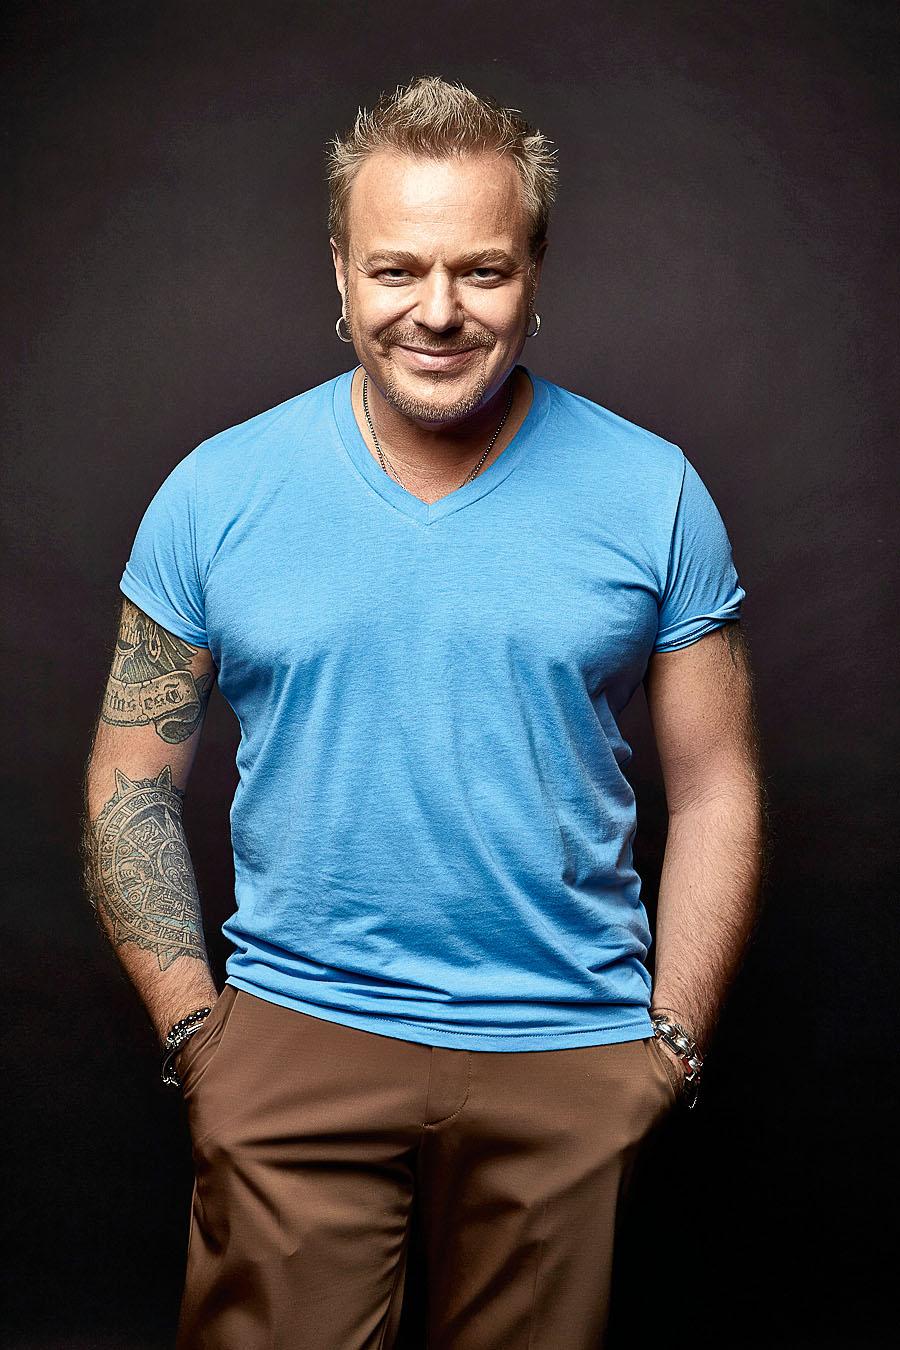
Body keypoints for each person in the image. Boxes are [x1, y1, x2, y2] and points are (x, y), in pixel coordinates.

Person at [81, 74, 766, 1350]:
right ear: (341, 275)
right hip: (294, 1045)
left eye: (481, 271)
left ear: (534, 275)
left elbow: (718, 786)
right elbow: (130, 783)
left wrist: (668, 1045)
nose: (438, 311)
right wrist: (196, 1035)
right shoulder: (215, 492)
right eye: (397, 269)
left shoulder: (655, 493)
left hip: (568, 1048)